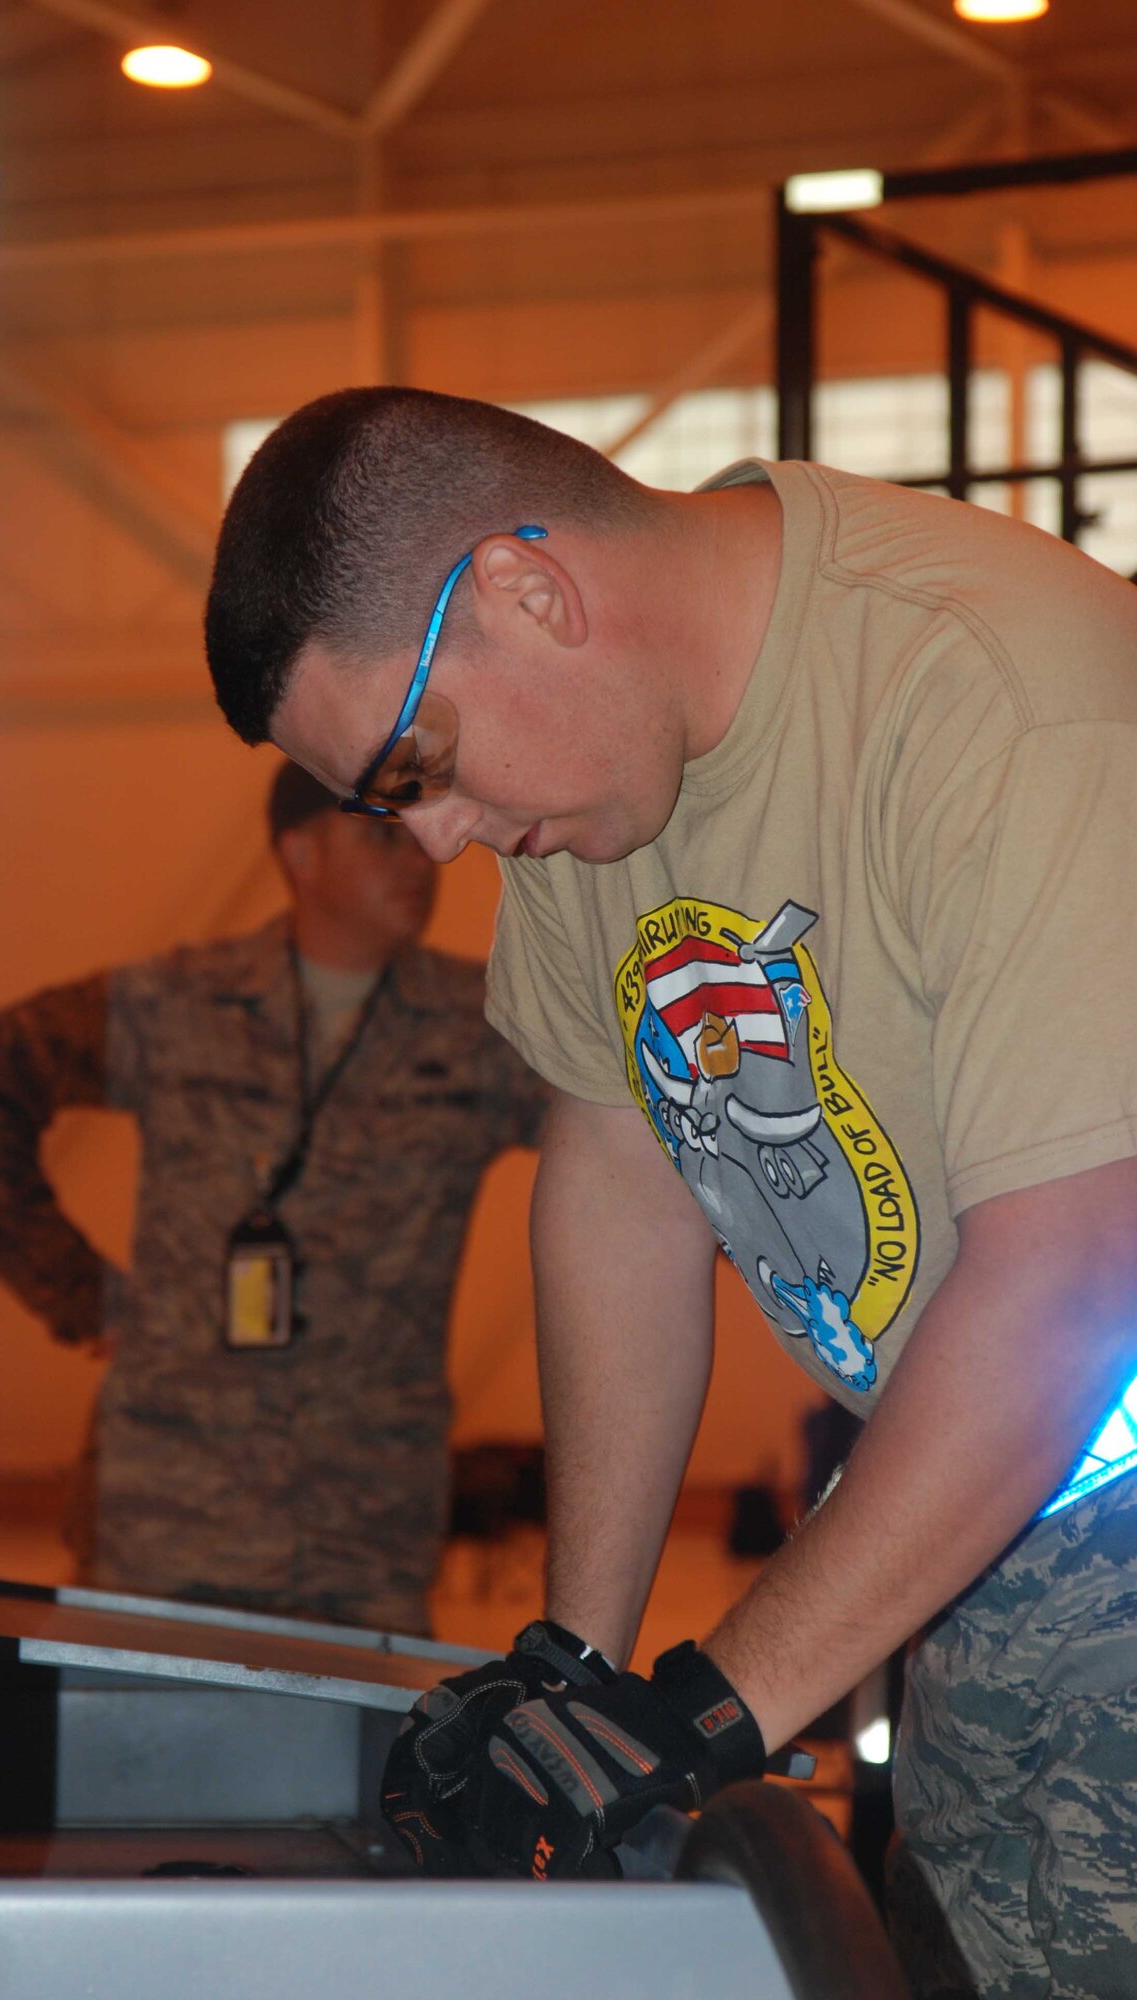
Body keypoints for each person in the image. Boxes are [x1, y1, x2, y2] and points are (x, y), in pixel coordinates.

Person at [203, 386, 1137, 1998]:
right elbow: (618, 1180)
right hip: (986, 1509)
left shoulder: (999, 693)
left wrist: (705, 1712)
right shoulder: (597, 783)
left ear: (525, 591)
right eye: (387, 805)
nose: (436, 840)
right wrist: (573, 1668)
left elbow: (1070, 1283)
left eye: (418, 765)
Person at [0, 760, 550, 1636]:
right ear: (299, 855)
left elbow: (640, 1139)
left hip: (363, 1528)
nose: (417, 860)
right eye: (379, 836)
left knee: (352, 1730)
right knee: (139, 1722)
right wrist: (77, 1292)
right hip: (169, 1512)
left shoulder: (483, 1028)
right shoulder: (177, 1005)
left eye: (418, 834)